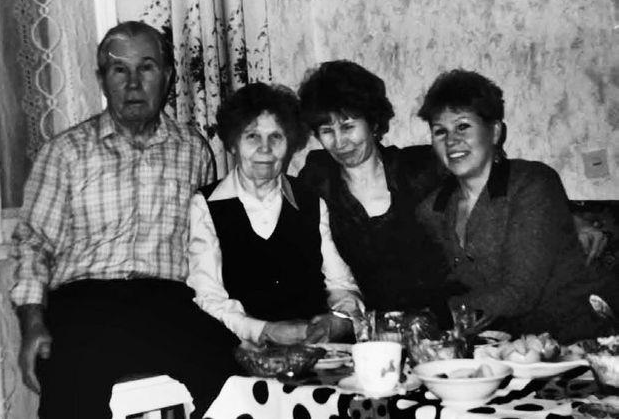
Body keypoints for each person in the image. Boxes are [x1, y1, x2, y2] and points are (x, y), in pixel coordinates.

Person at [10, 21, 238, 418]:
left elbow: (206, 244)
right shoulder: (65, 152)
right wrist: (32, 324)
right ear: (102, 79)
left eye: (146, 67)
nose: (133, 83)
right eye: (120, 69)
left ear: (167, 77)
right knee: (72, 390)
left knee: (233, 379)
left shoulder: (193, 150)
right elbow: (34, 244)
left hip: (168, 301)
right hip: (85, 302)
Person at [297, 60, 608, 327]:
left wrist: (570, 219)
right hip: (396, 326)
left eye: (348, 126)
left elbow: (499, 180)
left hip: (456, 319)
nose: (340, 142)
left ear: (373, 123)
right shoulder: (318, 178)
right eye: (326, 131)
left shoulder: (421, 168)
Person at [415, 69, 617, 342]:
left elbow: (519, 292)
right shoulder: (433, 208)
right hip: (507, 346)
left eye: (463, 126)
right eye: (440, 131)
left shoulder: (533, 183)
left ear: (495, 131)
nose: (451, 141)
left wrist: (432, 315)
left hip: (582, 338)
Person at [187, 82, 365, 346]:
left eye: (276, 137)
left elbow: (342, 285)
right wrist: (265, 330)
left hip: (316, 349)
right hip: (243, 353)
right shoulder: (206, 205)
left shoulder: (312, 201)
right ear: (233, 144)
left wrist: (339, 321)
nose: (265, 148)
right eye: (252, 136)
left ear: (289, 143)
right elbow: (208, 299)